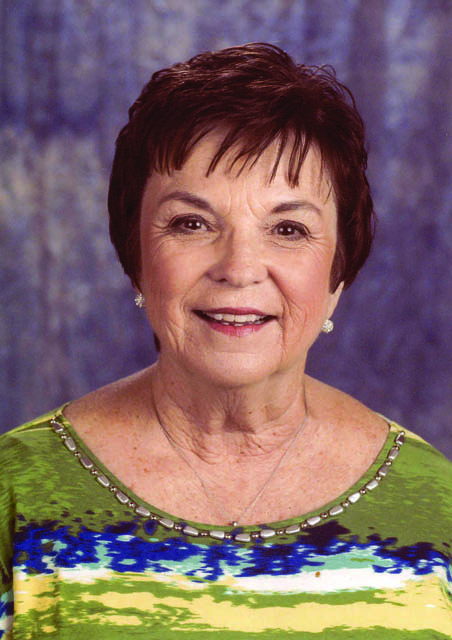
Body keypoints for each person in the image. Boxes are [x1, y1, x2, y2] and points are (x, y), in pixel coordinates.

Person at [1, 43, 451, 639]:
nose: (239, 269)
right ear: (136, 257)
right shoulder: (17, 492)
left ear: (337, 275)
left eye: (288, 229)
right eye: (192, 223)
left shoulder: (435, 507)